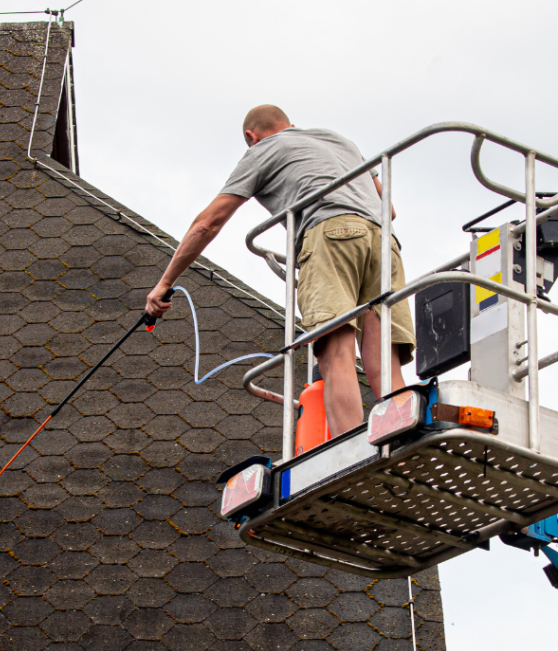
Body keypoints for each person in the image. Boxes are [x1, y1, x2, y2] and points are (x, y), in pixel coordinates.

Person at [145, 104, 415, 437]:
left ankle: (351, 448)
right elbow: (388, 209)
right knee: (383, 359)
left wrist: (164, 283)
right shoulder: (338, 140)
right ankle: (402, 436)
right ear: (291, 125)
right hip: (384, 242)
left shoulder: (262, 150)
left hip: (330, 234)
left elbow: (207, 223)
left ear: (251, 137)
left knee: (336, 352)